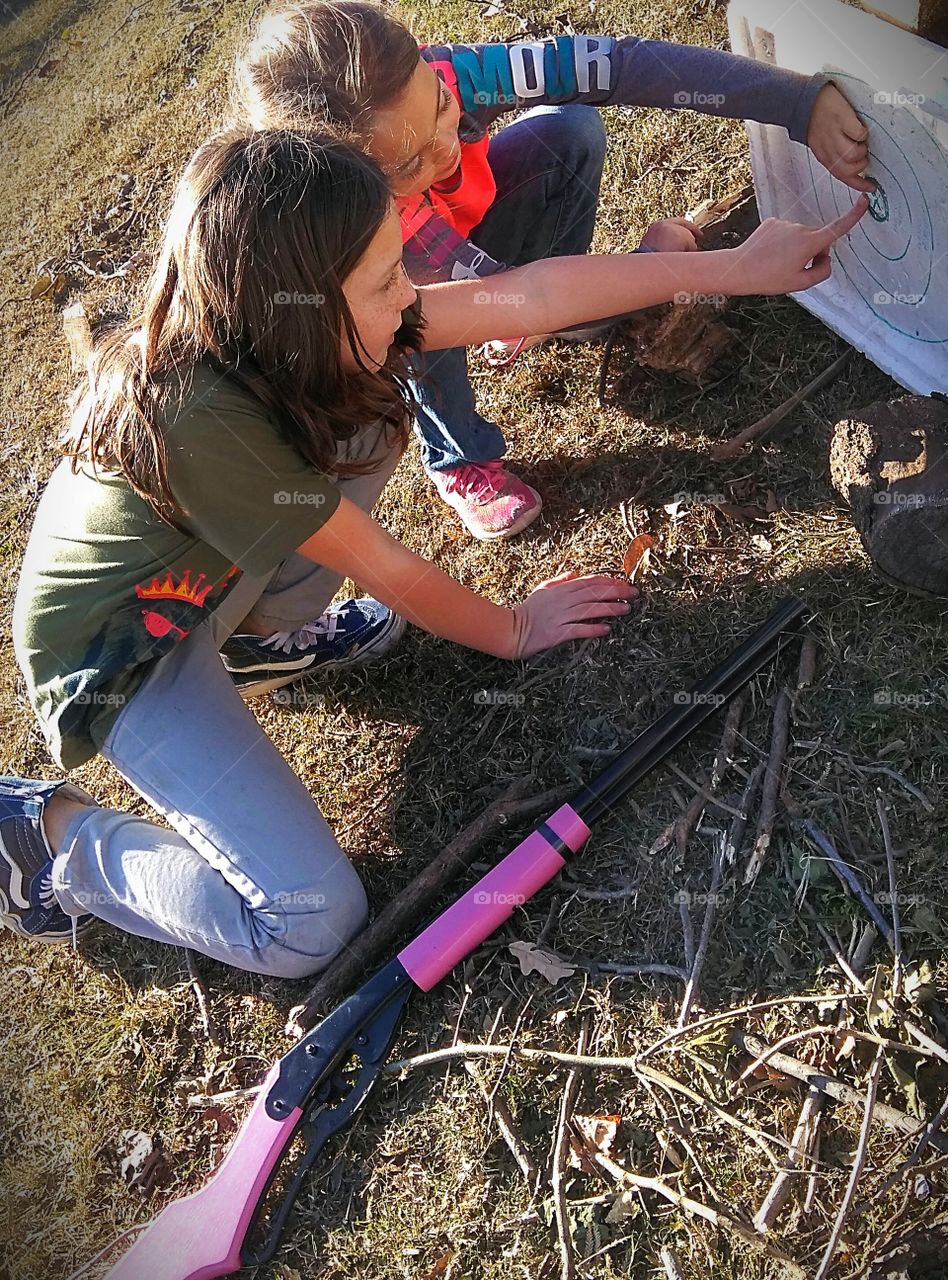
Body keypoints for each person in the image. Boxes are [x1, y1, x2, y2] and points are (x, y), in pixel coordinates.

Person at [2, 127, 866, 977]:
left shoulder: (280, 331)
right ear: (299, 303)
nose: (410, 293)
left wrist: (733, 267)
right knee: (308, 923)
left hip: (205, 578)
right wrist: (514, 630)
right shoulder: (204, 423)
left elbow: (525, 296)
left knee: (368, 415)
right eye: (385, 280)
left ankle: (257, 641)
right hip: (122, 651)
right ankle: (48, 838)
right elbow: (386, 568)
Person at [234, 0, 874, 538]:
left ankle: (553, 317)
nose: (447, 147)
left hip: (466, 251)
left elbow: (620, 65)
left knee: (569, 129)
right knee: (421, 333)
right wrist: (709, 267)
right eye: (408, 164)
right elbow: (519, 301)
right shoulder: (350, 235)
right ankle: (458, 457)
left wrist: (796, 102)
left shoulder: (447, 75)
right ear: (346, 181)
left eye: (441, 108)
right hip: (410, 299)